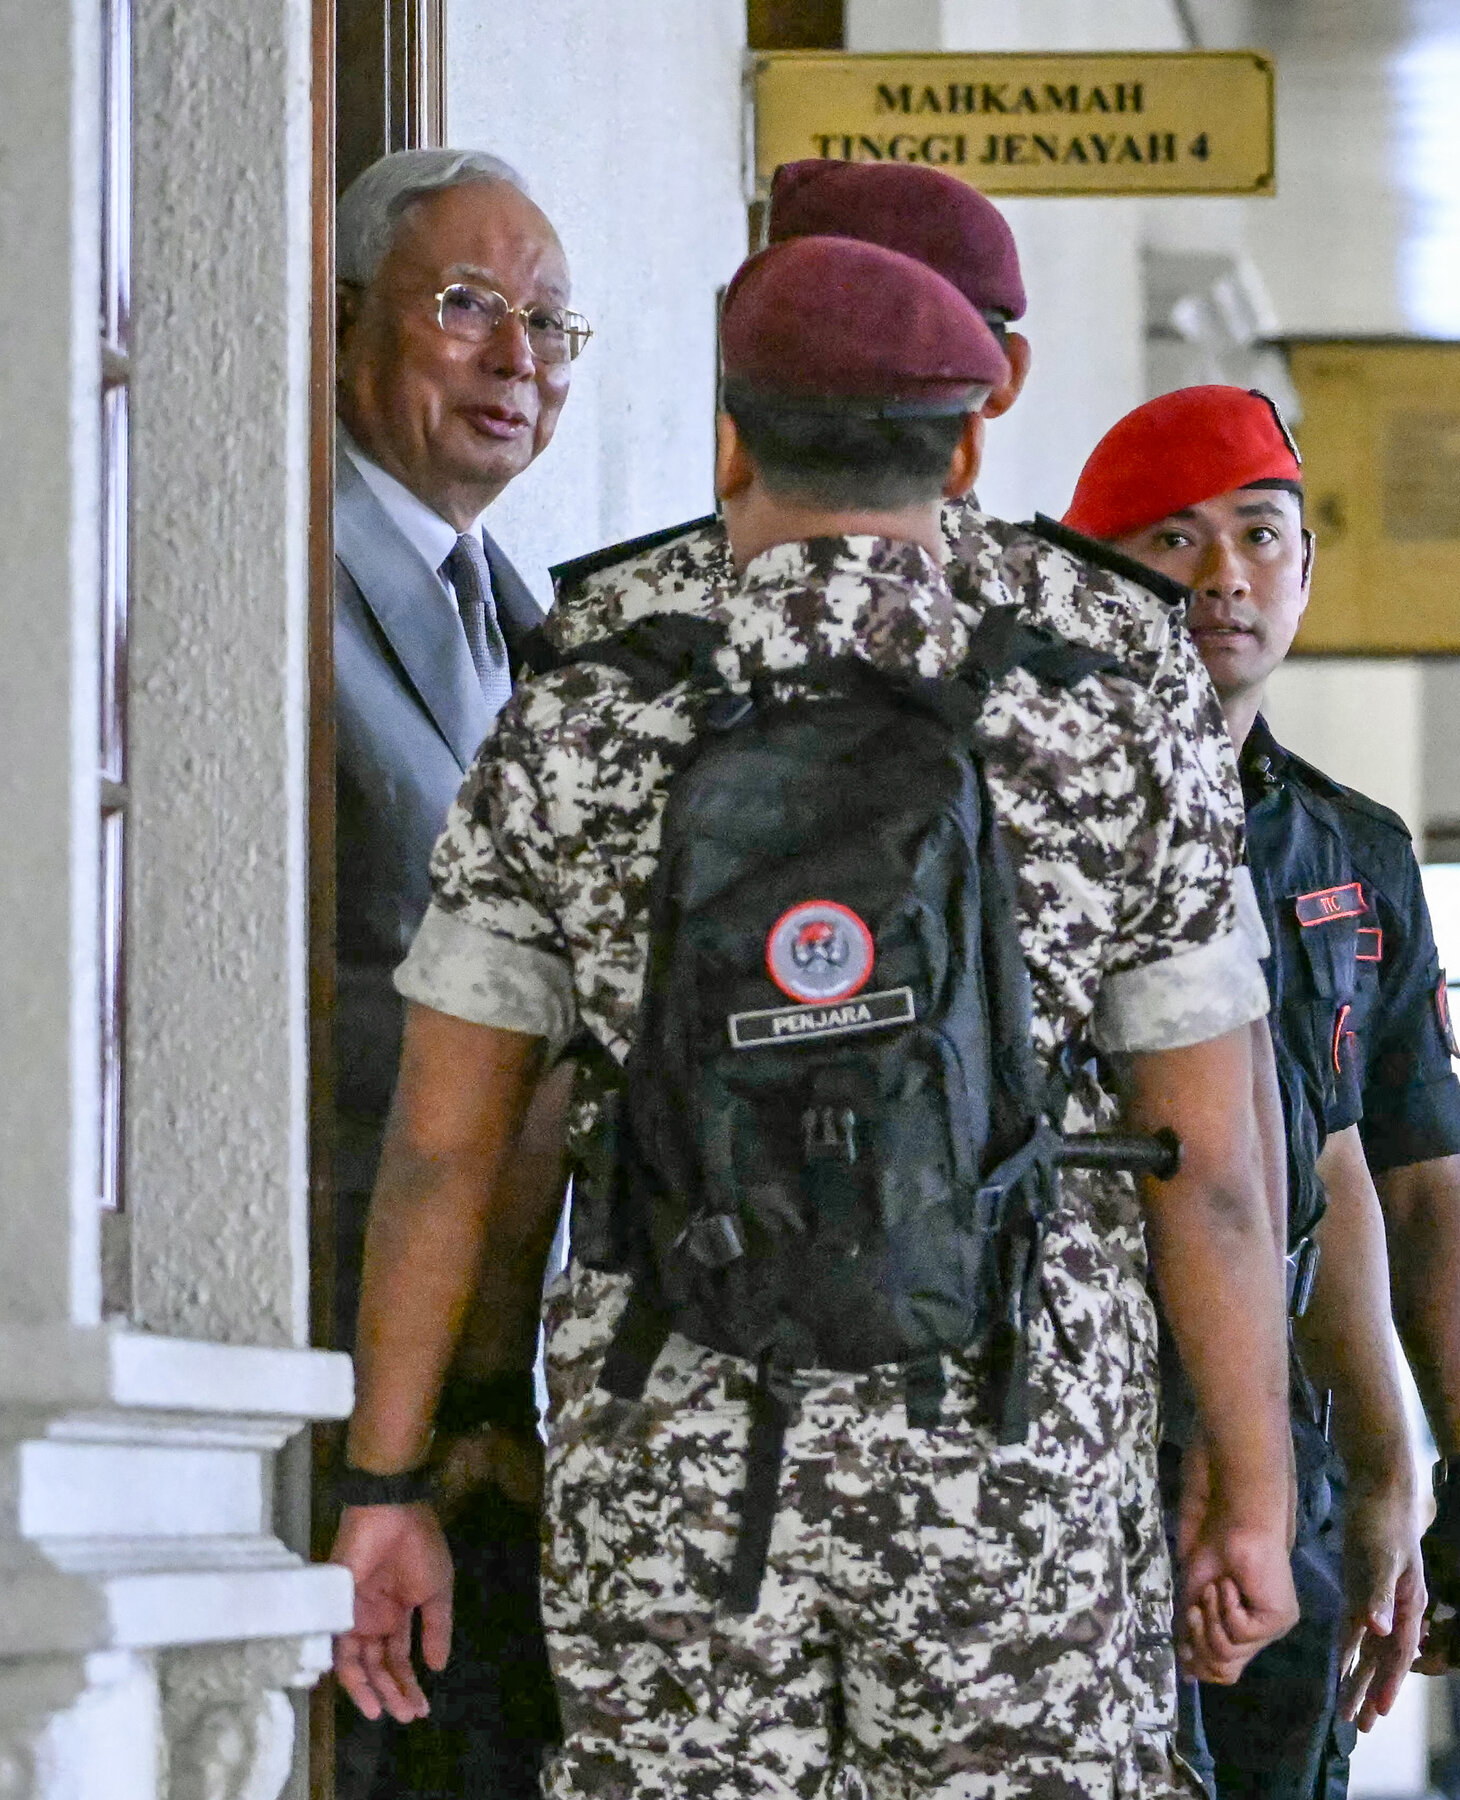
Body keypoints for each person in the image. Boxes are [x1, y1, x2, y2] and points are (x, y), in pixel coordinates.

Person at [327, 231, 1299, 1799]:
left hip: (678, 1477)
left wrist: (387, 1480)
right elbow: (1218, 1169)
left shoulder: (586, 705)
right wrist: (1252, 1490)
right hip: (1019, 1467)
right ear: (967, 450)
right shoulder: (1108, 712)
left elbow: (446, 1146)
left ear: (734, 440)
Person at [1066, 385, 1460, 1799]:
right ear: (1090, 573)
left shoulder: (1348, 852)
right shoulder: (1021, 824)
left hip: (1290, 1462)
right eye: (1171, 538)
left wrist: (1435, 1477)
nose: (1223, 576)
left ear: (1306, 568)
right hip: (1067, 1449)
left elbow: (1388, 1169)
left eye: (1260, 535)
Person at [332, 145, 586, 1798]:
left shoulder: (534, 620)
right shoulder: (274, 583)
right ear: (347, 320)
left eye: (552, 326)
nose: (519, 360)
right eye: (469, 307)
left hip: (488, 1359)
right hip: (329, 1313)